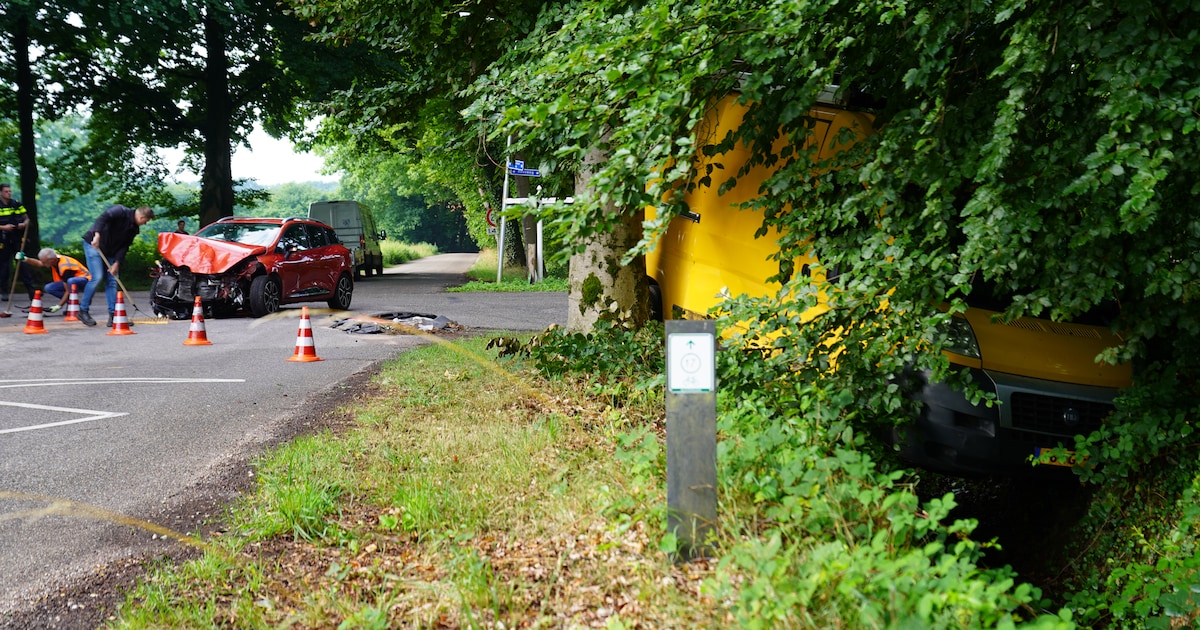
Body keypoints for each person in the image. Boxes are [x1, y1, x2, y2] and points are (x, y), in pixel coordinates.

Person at [80, 204, 155, 327]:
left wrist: (117, 263)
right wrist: (97, 235)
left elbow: (124, 247)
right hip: (94, 244)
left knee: (113, 280)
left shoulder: (134, 229)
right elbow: (102, 219)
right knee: (97, 277)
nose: (145, 223)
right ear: (141, 217)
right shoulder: (119, 211)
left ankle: (114, 315)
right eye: (146, 221)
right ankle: (83, 310)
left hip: (110, 252)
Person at [17, 248, 92, 313]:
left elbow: (67, 291)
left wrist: (58, 306)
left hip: (85, 281)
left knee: (71, 281)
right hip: (71, 282)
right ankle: (75, 304)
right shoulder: (54, 259)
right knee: (49, 288)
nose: (43, 263)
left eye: (44, 262)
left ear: (52, 260)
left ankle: (78, 305)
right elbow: (38, 263)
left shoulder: (65, 267)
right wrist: (25, 259)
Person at [0, 183, 37, 303]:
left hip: (17, 238)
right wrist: (3, 227)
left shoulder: (16, 204)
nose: (9, 193)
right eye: (6, 191)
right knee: (4, 266)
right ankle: (4, 290)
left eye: (10, 191)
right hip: (3, 238)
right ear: (1, 192)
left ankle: (31, 291)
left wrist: (24, 224)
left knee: (23, 263)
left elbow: (27, 219)